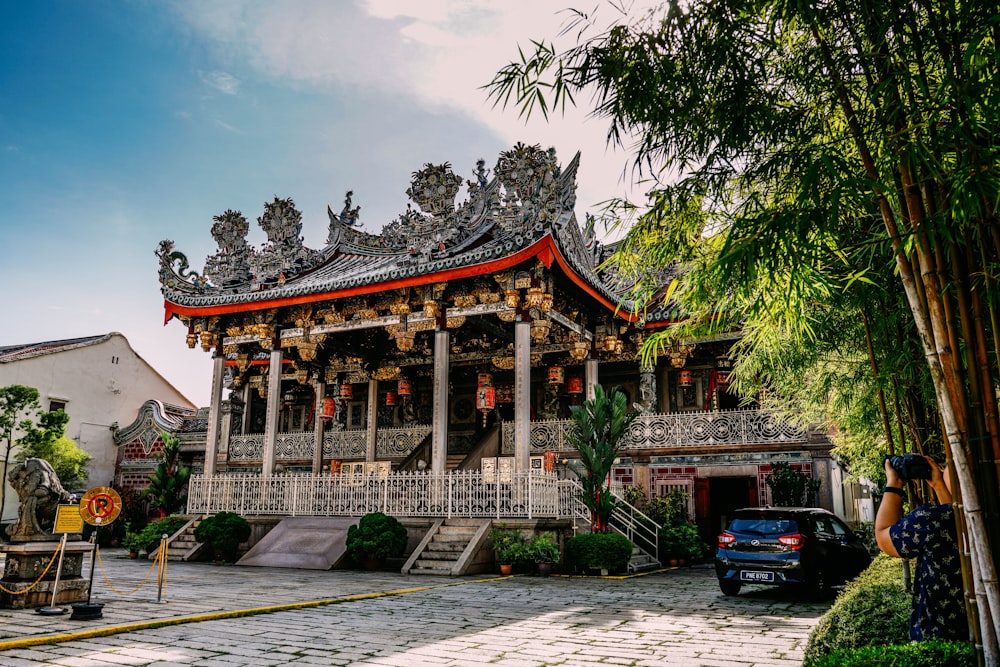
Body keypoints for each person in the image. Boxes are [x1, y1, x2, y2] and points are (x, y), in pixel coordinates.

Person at [875, 454, 968, 641]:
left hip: (939, 640)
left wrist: (894, 484)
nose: (943, 468)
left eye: (948, 463)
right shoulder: (969, 519)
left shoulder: (931, 520)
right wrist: (939, 485)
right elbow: (955, 516)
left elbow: (883, 536)